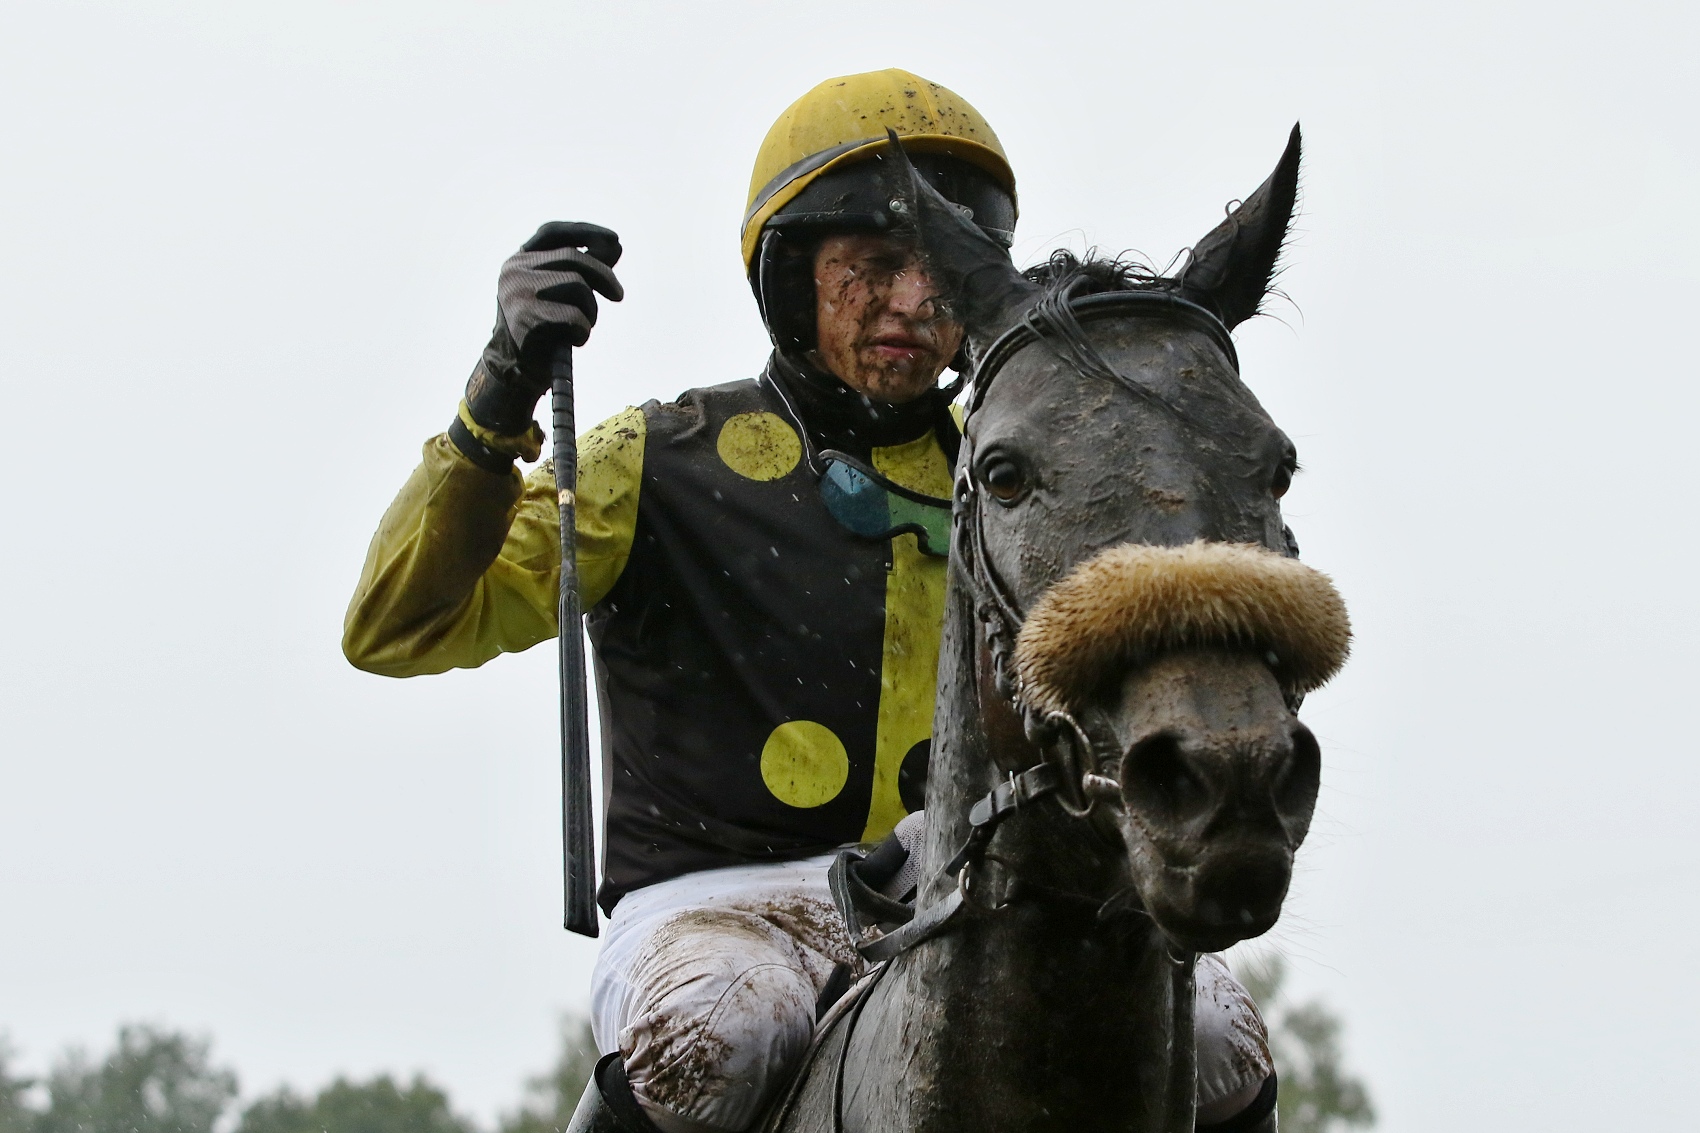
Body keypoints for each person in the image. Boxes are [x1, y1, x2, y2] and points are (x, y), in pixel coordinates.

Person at [344, 69, 1277, 1133]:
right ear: (794, 279)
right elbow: (396, 624)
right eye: (872, 268)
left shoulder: (1011, 478)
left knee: (1221, 1039)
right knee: (722, 1035)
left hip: (962, 885)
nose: (913, 305)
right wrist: (500, 388)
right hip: (715, 911)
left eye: (942, 278)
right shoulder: (653, 459)